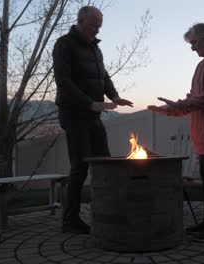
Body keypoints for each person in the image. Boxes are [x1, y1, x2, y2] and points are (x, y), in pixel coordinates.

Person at [148, 23, 204, 242]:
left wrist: (178, 105)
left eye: (194, 42)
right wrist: (172, 110)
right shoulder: (202, 65)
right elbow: (195, 100)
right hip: (203, 133)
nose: (192, 48)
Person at [52, 6, 133, 234]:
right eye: (94, 25)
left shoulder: (96, 49)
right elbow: (63, 81)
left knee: (105, 161)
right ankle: (70, 221)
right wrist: (90, 103)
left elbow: (103, 76)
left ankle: (107, 210)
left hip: (93, 114)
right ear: (80, 20)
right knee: (80, 167)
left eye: (99, 26)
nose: (97, 30)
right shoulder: (64, 44)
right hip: (74, 114)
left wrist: (114, 96)